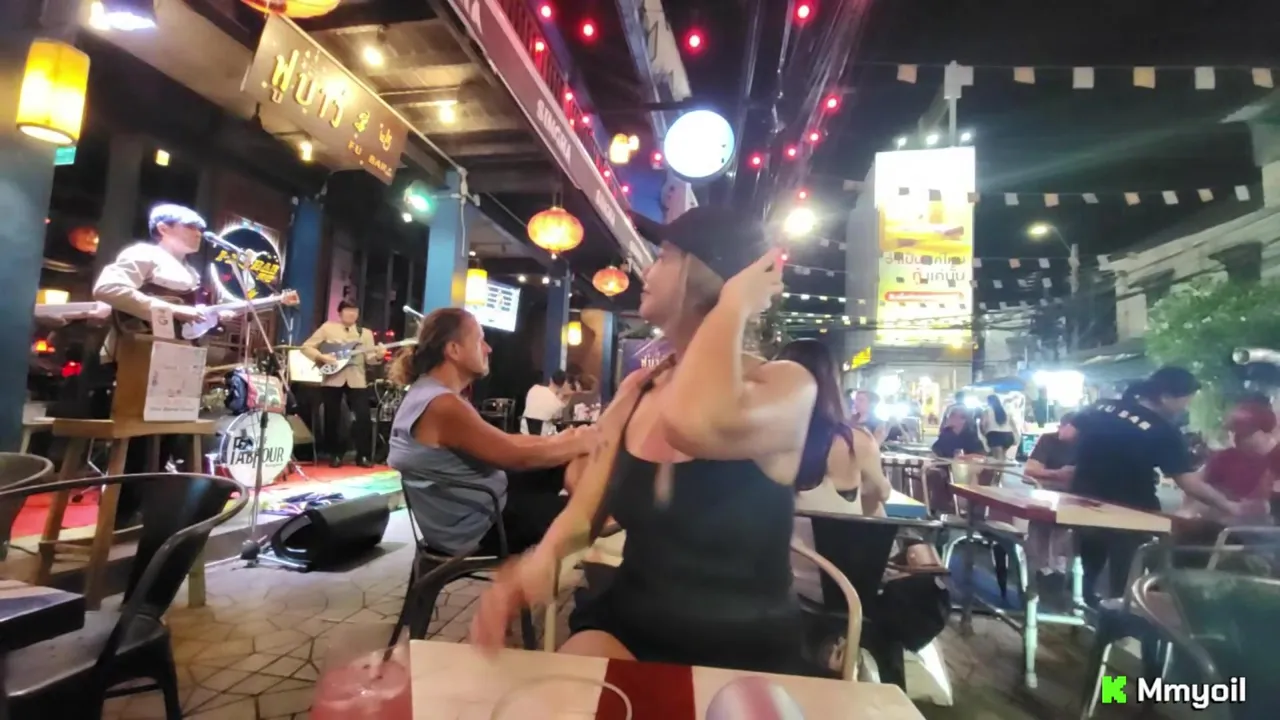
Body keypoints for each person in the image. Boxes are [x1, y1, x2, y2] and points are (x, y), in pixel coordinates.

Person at [471, 206, 819, 674]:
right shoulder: (637, 389)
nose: (647, 271)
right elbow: (584, 514)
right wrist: (536, 565)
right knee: (564, 689)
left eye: (666, 256)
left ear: (706, 274)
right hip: (629, 623)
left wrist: (733, 306)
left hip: (746, 646)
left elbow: (693, 424)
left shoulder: (786, 384)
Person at [387, 308, 596, 556]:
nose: (488, 349)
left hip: (482, 507)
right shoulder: (442, 405)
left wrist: (565, 440)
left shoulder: (428, 394)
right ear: (453, 350)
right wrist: (578, 442)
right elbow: (515, 456)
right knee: (599, 509)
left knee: (572, 466)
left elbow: (505, 441)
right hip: (484, 526)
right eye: (480, 340)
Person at [88, 204, 233, 529]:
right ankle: (122, 513)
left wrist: (209, 318)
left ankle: (154, 511)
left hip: (174, 357)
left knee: (169, 435)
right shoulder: (143, 254)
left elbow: (185, 325)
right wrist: (171, 309)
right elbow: (107, 289)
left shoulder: (192, 273)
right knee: (138, 438)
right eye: (190, 227)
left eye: (200, 229)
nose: (198, 234)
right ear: (163, 228)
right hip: (136, 354)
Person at [1070, 366, 1245, 603]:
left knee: (1090, 562)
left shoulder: (1102, 406)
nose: (1185, 407)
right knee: (1130, 568)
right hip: (1131, 509)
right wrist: (1229, 506)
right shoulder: (1162, 430)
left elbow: (1068, 435)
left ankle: (1086, 604)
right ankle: (1123, 612)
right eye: (1185, 400)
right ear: (1165, 397)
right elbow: (1187, 482)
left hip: (1082, 500)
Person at [779, 339, 891, 517]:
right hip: (838, 532)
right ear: (833, 381)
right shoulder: (856, 440)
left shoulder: (759, 437)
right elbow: (881, 493)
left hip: (774, 532)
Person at [302, 300, 386, 468]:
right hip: (333, 378)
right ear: (340, 313)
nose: (351, 314)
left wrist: (379, 356)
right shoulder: (328, 328)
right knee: (332, 417)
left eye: (355, 311)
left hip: (357, 379)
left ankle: (363, 455)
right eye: (348, 310)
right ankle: (335, 454)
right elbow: (306, 347)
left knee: (363, 417)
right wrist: (322, 357)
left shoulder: (365, 333)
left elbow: (370, 359)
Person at [1197, 398, 1277, 521]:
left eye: (1244, 434)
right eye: (1232, 431)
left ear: (1266, 432)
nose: (1235, 438)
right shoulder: (1223, 459)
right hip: (1222, 527)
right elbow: (1195, 495)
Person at [1023, 412, 1079, 487]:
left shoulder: (1089, 444)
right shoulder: (1049, 439)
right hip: (1049, 490)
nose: (1058, 428)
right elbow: (1029, 473)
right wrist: (1058, 474)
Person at [522, 370, 571, 435]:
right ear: (564, 384)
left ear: (550, 379)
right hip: (544, 434)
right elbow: (558, 419)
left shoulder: (534, 388)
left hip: (525, 430)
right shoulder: (558, 403)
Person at [980, 394, 1018, 461]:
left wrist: (984, 434)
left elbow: (982, 424)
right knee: (1003, 457)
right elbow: (1013, 425)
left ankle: (999, 467)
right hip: (1008, 435)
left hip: (994, 435)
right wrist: (1016, 436)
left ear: (989, 402)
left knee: (997, 458)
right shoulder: (1006, 410)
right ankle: (1002, 467)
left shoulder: (987, 411)